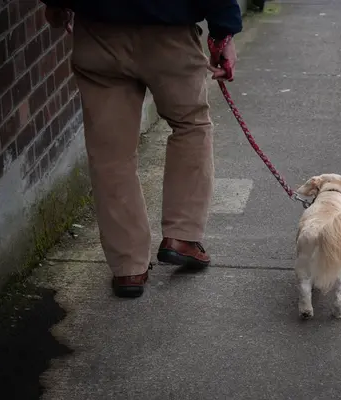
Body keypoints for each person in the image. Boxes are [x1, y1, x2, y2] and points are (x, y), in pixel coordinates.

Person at [41, 1, 242, 298]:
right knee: (190, 125)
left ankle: (128, 266)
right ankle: (182, 236)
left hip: (99, 32)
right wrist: (223, 32)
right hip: (169, 31)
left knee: (110, 153)